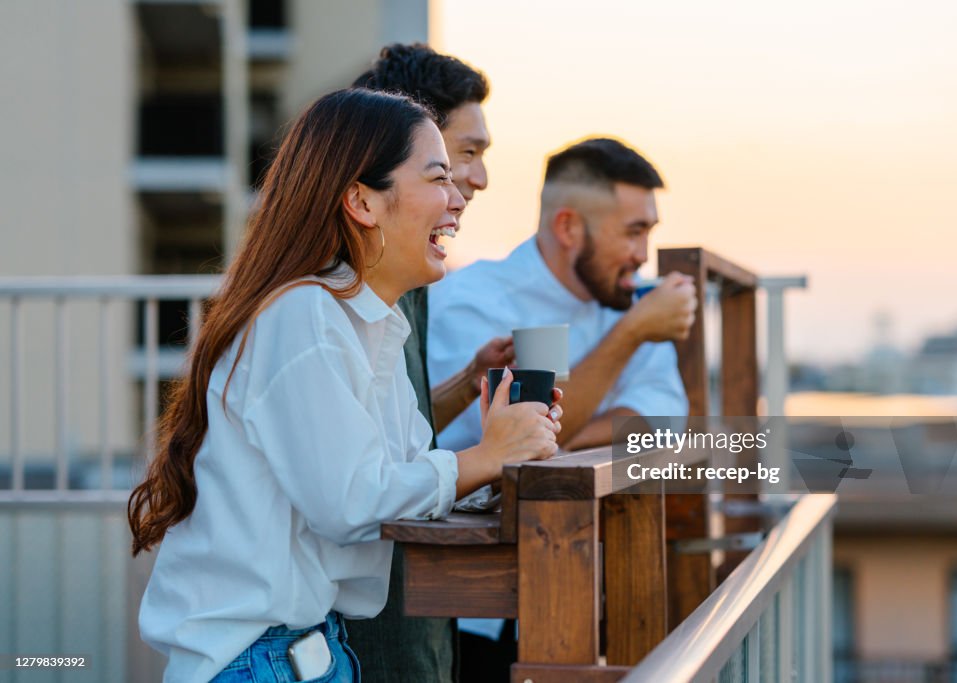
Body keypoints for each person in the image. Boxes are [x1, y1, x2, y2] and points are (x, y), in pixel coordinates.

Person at [127, 88, 561, 682]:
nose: (458, 198)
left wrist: (499, 451)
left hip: (307, 654)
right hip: (258, 663)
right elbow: (352, 502)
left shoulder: (371, 323)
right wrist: (484, 456)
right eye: (438, 178)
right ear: (361, 200)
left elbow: (400, 485)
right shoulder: (302, 315)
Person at [346, 43, 510, 683]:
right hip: (369, 616)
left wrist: (471, 386)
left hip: (403, 595)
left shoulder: (408, 276)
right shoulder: (332, 299)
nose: (476, 178)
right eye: (463, 155)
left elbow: (392, 428)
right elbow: (357, 489)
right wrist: (488, 456)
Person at [430, 137, 697, 455]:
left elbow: (665, 415)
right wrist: (630, 334)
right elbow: (511, 439)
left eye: (648, 232)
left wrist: (570, 441)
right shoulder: (470, 300)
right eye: (633, 233)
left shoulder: (627, 294)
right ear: (568, 228)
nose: (643, 255)